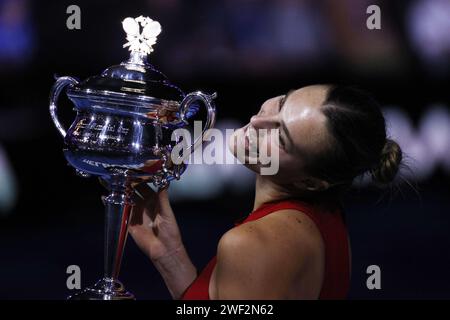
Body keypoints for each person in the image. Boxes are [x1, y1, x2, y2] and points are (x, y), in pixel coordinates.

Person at [128, 84, 403, 299]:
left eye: (281, 138)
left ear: (310, 182)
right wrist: (169, 255)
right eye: (283, 102)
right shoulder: (326, 218)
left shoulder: (251, 245)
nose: (259, 121)